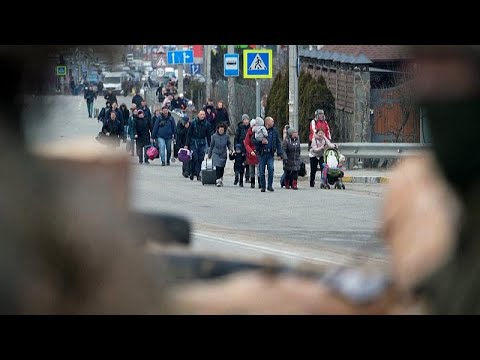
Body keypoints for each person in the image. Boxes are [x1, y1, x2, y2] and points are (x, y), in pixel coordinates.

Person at [253, 117, 284, 192]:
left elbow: (278, 142)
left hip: (270, 153)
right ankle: (263, 186)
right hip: (262, 153)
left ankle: (270, 185)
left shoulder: (274, 131)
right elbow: (253, 140)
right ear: (267, 122)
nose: (273, 122)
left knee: (271, 169)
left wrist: (280, 153)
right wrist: (260, 142)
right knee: (261, 170)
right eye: (272, 121)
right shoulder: (259, 129)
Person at [185, 110, 212, 181]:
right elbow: (189, 134)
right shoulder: (193, 123)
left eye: (203, 114)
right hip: (194, 143)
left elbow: (209, 136)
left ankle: (198, 174)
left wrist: (210, 146)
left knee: (200, 159)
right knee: (194, 158)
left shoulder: (207, 124)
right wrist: (187, 144)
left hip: (202, 143)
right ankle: (192, 172)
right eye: (201, 114)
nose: (202, 116)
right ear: (198, 115)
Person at [208, 123, 232, 187]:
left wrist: (230, 149)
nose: (221, 131)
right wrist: (209, 154)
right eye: (220, 130)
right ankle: (218, 180)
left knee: (222, 167)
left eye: (222, 130)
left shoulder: (226, 136)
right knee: (218, 166)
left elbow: (229, 144)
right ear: (218, 130)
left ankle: (220, 178)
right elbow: (211, 145)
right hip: (216, 153)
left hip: (223, 153)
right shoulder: (214, 136)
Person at [234, 114, 251, 183]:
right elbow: (236, 138)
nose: (246, 121)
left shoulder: (251, 128)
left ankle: (247, 177)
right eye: (244, 120)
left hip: (248, 147)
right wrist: (236, 146)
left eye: (247, 119)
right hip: (241, 147)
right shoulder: (240, 128)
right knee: (240, 162)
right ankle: (238, 175)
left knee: (248, 162)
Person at [243, 119, 259, 189]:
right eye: (254, 125)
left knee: (259, 169)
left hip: (258, 152)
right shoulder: (249, 133)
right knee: (251, 169)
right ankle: (252, 182)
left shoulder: (260, 132)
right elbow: (246, 144)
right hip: (251, 153)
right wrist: (250, 151)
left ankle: (260, 182)